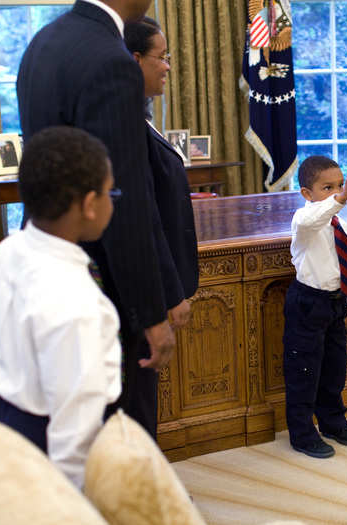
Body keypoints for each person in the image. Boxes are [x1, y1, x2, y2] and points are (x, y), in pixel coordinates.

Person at [17, 0, 180, 438]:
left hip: (48, 267)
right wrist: (150, 313)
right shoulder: (110, 60)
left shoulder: (43, 43)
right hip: (103, 285)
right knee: (121, 433)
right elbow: (124, 198)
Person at [0, 126, 121, 488]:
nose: (114, 201)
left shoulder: (5, 253)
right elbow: (74, 434)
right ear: (88, 205)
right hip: (43, 443)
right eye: (111, 192)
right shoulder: (76, 303)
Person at [283, 155, 347, 458]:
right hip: (307, 303)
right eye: (327, 187)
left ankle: (333, 422)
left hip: (335, 302)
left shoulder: (341, 224)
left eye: (339, 185)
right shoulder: (303, 221)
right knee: (304, 370)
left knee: (334, 368)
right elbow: (314, 218)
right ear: (307, 193)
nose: (335, 192)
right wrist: (341, 198)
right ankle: (302, 433)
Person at [125, 17, 198, 332]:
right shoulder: (126, 126)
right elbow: (144, 216)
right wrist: (170, 292)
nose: (168, 66)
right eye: (162, 56)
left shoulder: (139, 116)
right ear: (136, 59)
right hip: (150, 292)